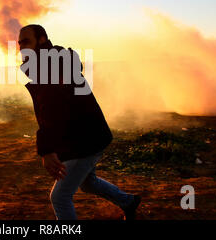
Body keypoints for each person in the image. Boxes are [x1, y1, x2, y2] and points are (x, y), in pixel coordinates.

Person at [18, 24, 141, 220]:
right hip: (88, 135)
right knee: (88, 183)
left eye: (26, 41)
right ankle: (128, 201)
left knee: (59, 197)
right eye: (19, 43)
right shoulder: (51, 63)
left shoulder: (50, 66)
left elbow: (51, 110)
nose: (21, 47)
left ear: (41, 40)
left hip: (84, 139)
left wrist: (46, 149)